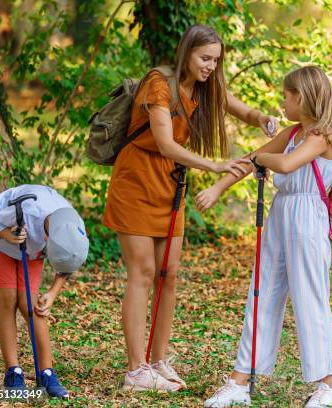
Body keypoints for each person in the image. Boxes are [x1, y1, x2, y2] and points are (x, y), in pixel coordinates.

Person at [102, 24, 278, 392]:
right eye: (204, 58)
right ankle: (136, 370)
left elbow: (240, 109)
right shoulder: (159, 84)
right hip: (136, 180)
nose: (211, 66)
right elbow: (164, 143)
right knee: (144, 272)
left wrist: (261, 118)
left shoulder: (205, 86)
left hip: (170, 185)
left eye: (216, 60)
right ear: (187, 53)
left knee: (169, 273)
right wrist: (213, 165)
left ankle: (158, 360)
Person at [197, 66, 332, 407]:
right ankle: (240, 381)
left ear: (302, 97)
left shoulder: (322, 136)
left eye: (286, 95)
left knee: (310, 298)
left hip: (308, 218)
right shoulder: (292, 134)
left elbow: (287, 165)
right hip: (281, 214)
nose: (282, 101)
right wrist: (218, 187)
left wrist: (262, 157)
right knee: (262, 294)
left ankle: (325, 386)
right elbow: (252, 161)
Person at [0, 184, 89, 398]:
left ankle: (47, 372)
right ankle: (13, 372)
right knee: (8, 299)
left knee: (31, 305)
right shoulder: (28, 209)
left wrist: (52, 293)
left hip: (30, 251)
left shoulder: (72, 226)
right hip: (1, 239)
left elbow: (67, 263)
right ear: (48, 240)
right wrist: (8, 235)